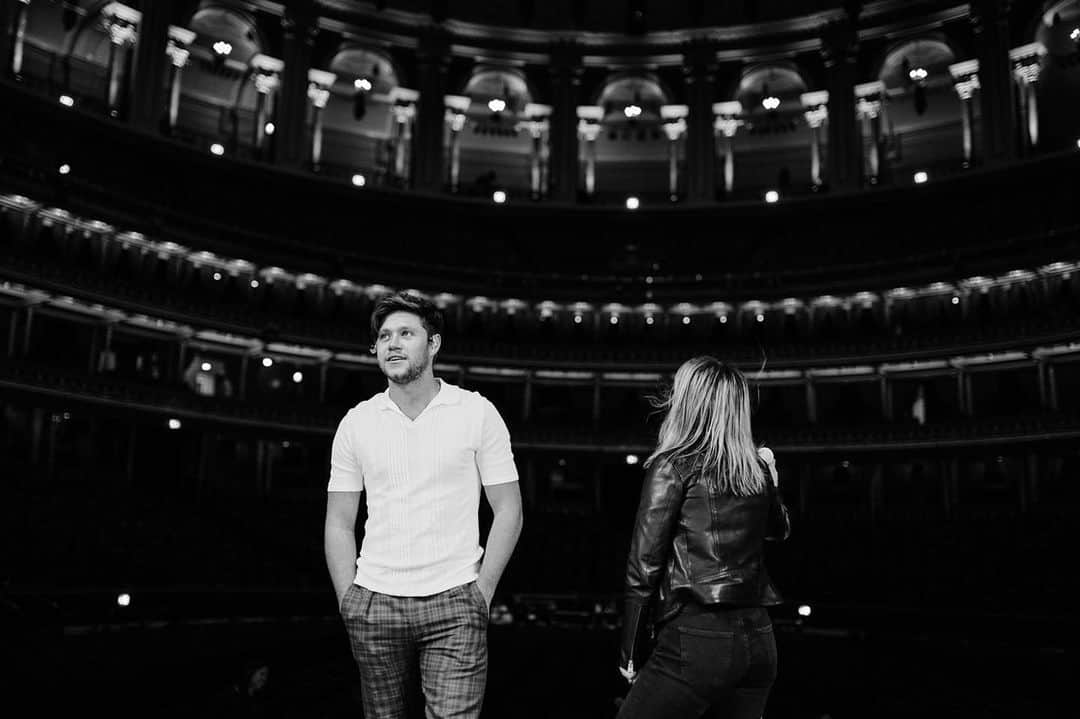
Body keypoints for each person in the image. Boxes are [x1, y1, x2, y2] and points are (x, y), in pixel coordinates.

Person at [324, 291, 523, 719]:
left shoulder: (476, 412)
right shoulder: (356, 422)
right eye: (384, 336)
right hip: (374, 602)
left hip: (456, 600)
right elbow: (339, 522)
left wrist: (481, 593)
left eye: (406, 333)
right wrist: (350, 601)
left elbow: (509, 509)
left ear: (432, 344)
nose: (392, 343)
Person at [616, 357, 791, 719]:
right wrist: (771, 479)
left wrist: (629, 652)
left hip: (698, 639)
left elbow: (643, 569)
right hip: (759, 640)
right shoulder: (756, 467)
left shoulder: (673, 465)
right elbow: (780, 530)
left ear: (687, 403)